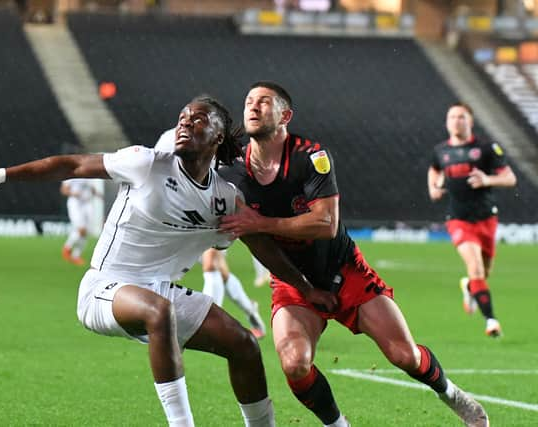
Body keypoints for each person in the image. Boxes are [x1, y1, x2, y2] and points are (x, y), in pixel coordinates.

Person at [0, 96, 322, 426]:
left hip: (160, 292)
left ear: (219, 137)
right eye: (182, 117)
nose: (185, 124)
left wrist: (306, 289)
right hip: (103, 288)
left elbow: (262, 246)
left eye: (198, 120)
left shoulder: (223, 199)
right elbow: (72, 165)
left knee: (243, 345)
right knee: (159, 311)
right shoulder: (146, 164)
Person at [218, 81, 490, 427]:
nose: (253, 107)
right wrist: (303, 287)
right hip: (291, 280)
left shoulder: (310, 156)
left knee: (404, 356)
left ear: (285, 115)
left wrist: (261, 221)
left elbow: (326, 224)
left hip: (345, 271)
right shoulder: (232, 173)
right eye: (248, 101)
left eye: (264, 102)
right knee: (294, 363)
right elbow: (257, 242)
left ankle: (452, 394)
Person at [155, 128, 267, 338]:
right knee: (221, 272)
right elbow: (159, 171)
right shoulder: (170, 138)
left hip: (213, 210)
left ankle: (204, 322)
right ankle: (250, 310)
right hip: (184, 214)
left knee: (211, 264)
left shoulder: (217, 142)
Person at [428, 102, 517, 338]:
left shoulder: (486, 148)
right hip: (459, 219)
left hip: (486, 218)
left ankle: (469, 286)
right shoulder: (441, 151)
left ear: (470, 121)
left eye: (461, 117)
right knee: (476, 268)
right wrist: (434, 188)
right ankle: (491, 321)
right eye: (452, 117)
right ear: (447, 122)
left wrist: (487, 180)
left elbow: (510, 178)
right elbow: (434, 169)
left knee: (483, 274)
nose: (456, 121)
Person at [60, 178, 101, 265]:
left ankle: (76, 255)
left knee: (87, 231)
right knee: (81, 229)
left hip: (87, 203)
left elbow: (91, 188)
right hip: (75, 203)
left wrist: (99, 195)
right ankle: (67, 248)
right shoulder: (72, 174)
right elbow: (64, 190)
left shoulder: (88, 174)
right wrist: (73, 193)